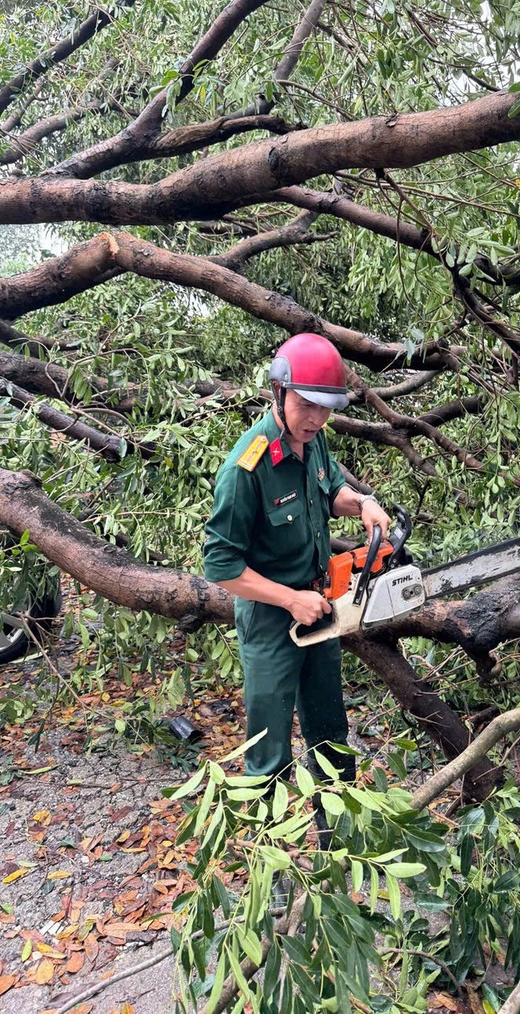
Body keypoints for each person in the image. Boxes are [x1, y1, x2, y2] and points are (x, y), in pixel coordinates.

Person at [203, 333, 391, 790]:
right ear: (279, 391)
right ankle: (269, 856)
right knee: (269, 758)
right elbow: (221, 564)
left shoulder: (315, 440)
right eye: (307, 405)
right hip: (272, 623)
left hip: (321, 607)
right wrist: (290, 600)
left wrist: (361, 502)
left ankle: (338, 848)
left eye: (326, 408)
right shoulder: (245, 469)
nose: (317, 418)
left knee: (331, 739)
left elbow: (327, 493)